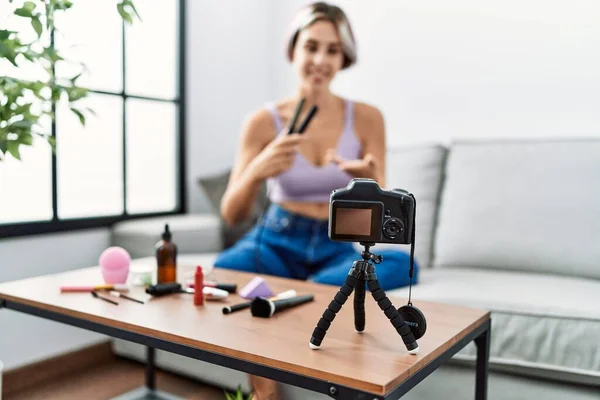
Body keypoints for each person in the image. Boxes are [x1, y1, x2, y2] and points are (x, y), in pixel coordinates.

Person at [215, 3, 419, 399]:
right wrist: (258, 170)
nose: (320, 60)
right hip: (278, 235)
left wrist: (370, 177)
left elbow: (384, 215)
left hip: (340, 242)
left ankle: (301, 293)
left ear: (345, 57)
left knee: (402, 262)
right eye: (311, 47)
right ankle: (266, 391)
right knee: (226, 271)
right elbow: (231, 214)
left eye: (332, 50)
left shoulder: (366, 118)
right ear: (293, 50)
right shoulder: (261, 122)